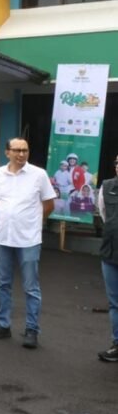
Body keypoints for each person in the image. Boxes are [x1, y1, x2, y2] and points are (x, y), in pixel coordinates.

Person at [0, 137, 56, 350]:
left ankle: (32, 330)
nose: (21, 154)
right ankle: (3, 325)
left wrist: (33, 222)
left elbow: (49, 204)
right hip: (2, 238)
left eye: (25, 150)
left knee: (31, 287)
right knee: (3, 284)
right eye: (16, 150)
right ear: (7, 152)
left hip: (28, 239)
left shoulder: (39, 174)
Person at [97, 154, 118, 362]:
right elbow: (104, 214)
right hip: (111, 253)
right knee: (115, 303)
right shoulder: (107, 186)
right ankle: (117, 344)